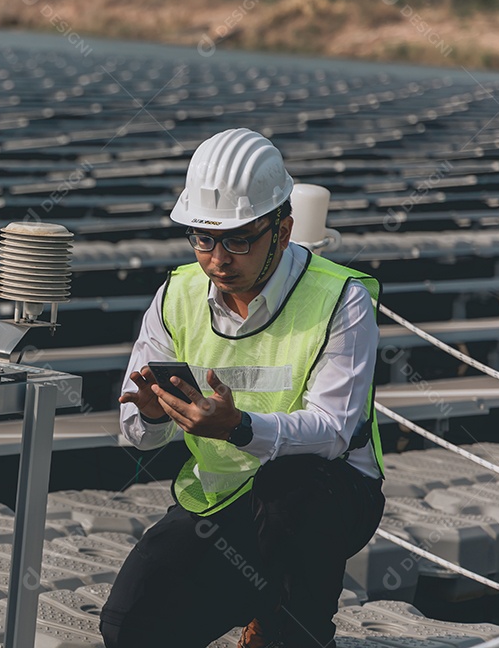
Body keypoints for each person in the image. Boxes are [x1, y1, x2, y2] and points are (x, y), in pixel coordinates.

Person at [99, 128, 386, 648]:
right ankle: (257, 599)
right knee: (130, 625)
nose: (217, 259)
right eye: (203, 238)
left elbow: (334, 431)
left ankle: (295, 629)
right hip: (223, 498)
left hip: (327, 496)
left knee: (290, 489)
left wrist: (239, 427)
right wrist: (155, 415)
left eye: (238, 239)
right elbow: (136, 437)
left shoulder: (341, 299)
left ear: (284, 229)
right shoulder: (176, 294)